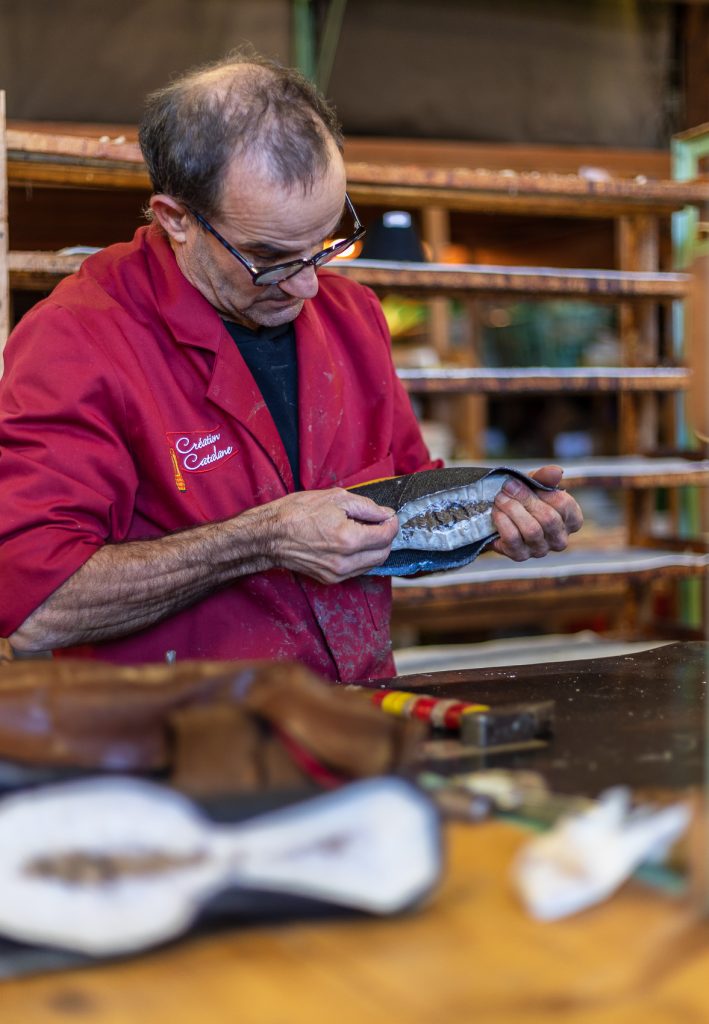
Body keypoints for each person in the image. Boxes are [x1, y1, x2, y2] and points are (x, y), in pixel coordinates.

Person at [0, 54, 582, 680]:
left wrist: (491, 514)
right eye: (271, 258)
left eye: (324, 245)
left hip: (358, 707)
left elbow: (403, 500)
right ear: (176, 219)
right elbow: (38, 606)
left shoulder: (351, 316)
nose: (307, 286)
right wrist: (260, 539)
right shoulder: (80, 338)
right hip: (180, 728)